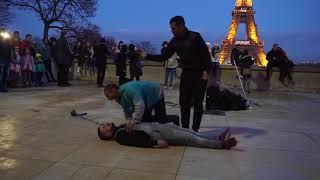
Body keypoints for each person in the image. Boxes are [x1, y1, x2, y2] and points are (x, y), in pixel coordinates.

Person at [143, 16, 211, 132]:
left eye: (173, 28)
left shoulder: (195, 37)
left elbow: (206, 56)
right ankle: (185, 129)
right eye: (171, 28)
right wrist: (147, 56)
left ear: (181, 26)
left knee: (198, 104)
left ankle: (195, 130)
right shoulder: (174, 41)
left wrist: (205, 71)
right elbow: (164, 57)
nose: (172, 31)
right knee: (184, 103)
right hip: (186, 74)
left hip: (199, 74)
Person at [104, 81, 180, 132]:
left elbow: (140, 106)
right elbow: (127, 109)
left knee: (161, 119)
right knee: (145, 120)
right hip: (146, 98)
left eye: (108, 95)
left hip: (156, 92)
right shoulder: (117, 97)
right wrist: (128, 121)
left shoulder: (129, 90)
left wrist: (134, 122)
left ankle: (175, 118)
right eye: (106, 96)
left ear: (114, 90)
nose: (108, 98)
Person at [97, 122, 237, 149]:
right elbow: (136, 140)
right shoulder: (120, 136)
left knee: (192, 132)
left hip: (159, 126)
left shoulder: (120, 128)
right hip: (158, 133)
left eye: (103, 124)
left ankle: (217, 138)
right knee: (191, 138)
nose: (105, 124)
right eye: (104, 127)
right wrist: (155, 143)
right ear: (107, 135)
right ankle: (221, 145)